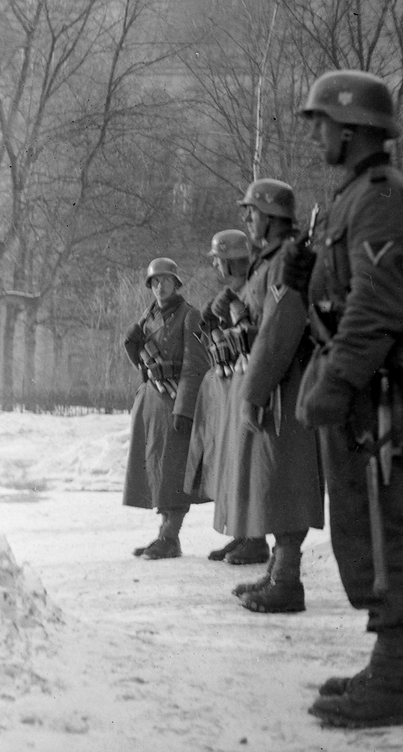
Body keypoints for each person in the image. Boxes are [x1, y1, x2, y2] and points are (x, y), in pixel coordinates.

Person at [288, 69, 403, 729]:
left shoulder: (377, 197)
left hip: (376, 397)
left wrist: (337, 381)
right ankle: (388, 662)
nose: (315, 131)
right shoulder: (353, 196)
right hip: (360, 395)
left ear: (352, 129)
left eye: (321, 121)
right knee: (361, 525)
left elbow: (377, 304)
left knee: (384, 525)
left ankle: (399, 678)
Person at [212, 179, 324, 613]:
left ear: (273, 216)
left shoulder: (285, 262)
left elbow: (280, 332)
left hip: (287, 383)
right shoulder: (269, 262)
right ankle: (279, 570)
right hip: (277, 380)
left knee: (286, 480)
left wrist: (255, 391)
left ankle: (288, 581)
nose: (246, 219)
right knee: (274, 480)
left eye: (252, 211)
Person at [185, 229, 268, 566]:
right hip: (230, 381)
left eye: (219, 260)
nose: (216, 265)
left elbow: (258, 335)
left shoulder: (254, 288)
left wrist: (234, 312)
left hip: (249, 381)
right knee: (231, 462)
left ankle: (256, 538)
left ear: (233, 262)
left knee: (247, 462)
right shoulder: (235, 290)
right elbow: (210, 332)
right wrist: (213, 318)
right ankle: (242, 533)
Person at [122, 257, 210, 559]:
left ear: (176, 284)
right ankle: (164, 534)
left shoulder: (190, 316)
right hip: (152, 403)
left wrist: (185, 409)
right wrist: (133, 349)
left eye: (166, 281)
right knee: (158, 471)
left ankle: (171, 536)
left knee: (173, 471)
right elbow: (146, 368)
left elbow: (196, 365)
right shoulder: (148, 318)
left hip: (174, 404)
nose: (160, 287)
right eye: (155, 282)